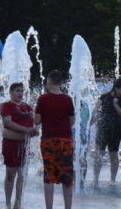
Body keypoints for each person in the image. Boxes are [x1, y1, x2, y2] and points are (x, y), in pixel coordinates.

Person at [34, 69, 74, 209]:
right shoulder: (68, 99)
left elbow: (37, 120)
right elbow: (72, 122)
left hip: (49, 140)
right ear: (61, 83)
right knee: (67, 176)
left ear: (49, 82)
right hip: (65, 141)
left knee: (49, 175)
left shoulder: (42, 99)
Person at [1, 81, 37, 209]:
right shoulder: (6, 105)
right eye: (17, 91)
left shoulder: (27, 107)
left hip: (24, 145)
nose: (20, 93)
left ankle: (18, 202)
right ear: (11, 92)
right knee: (11, 174)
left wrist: (34, 130)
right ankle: (7, 202)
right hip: (10, 145)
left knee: (22, 175)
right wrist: (26, 131)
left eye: (22, 91)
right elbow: (8, 123)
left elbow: (35, 122)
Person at [92, 78, 121, 185]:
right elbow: (95, 109)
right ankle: (95, 179)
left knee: (113, 154)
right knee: (99, 153)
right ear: (115, 88)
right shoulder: (104, 97)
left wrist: (115, 104)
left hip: (116, 129)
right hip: (103, 128)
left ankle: (112, 179)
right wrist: (93, 117)